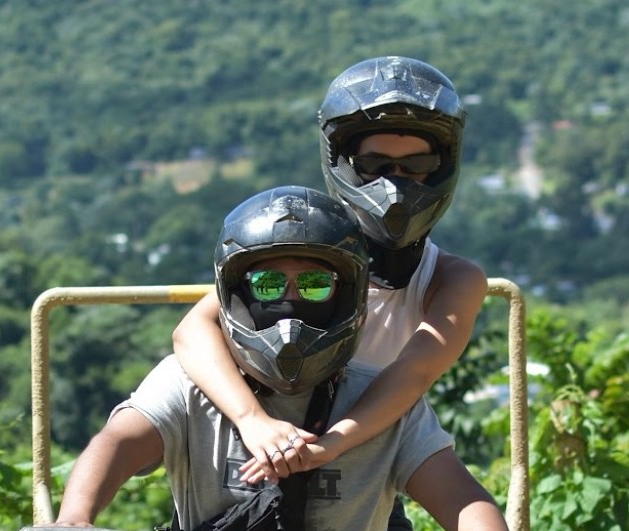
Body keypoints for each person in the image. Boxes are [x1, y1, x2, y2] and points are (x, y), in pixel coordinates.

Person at [55, 186, 512, 531]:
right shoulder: (189, 384)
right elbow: (118, 443)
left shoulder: (379, 399)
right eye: (268, 286)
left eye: (315, 285)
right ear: (236, 294)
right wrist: (74, 522)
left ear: (348, 295)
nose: (290, 305)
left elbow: (458, 495)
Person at [172, 56, 486, 492]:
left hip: (360, 458)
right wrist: (252, 420)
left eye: (415, 165)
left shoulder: (452, 279)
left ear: (442, 164)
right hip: (253, 452)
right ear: (346, 162)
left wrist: (332, 445)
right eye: (375, 165)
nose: (395, 183)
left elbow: (414, 372)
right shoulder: (304, 252)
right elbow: (192, 331)